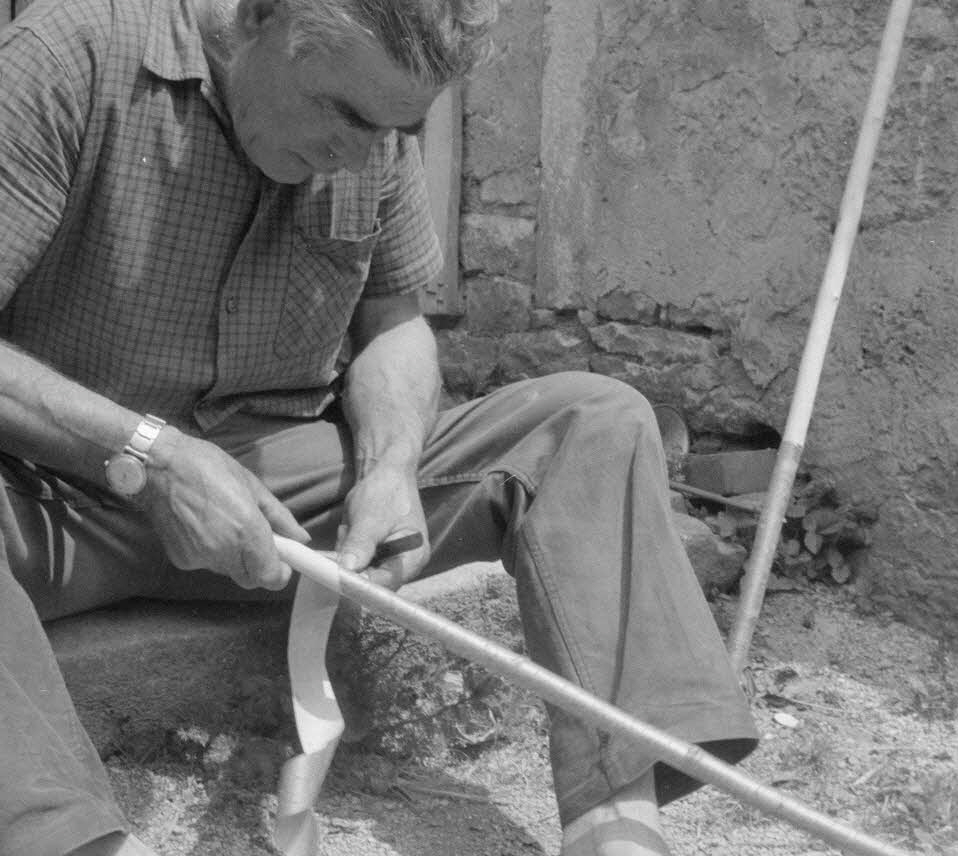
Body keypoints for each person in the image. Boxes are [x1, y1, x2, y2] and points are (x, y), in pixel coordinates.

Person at [0, 0, 759, 854]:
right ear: (258, 18)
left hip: (280, 503)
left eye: (398, 129)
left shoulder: (374, 128)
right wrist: (155, 456)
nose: (364, 155)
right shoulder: (68, 57)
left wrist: (391, 467)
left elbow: (394, 324)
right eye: (348, 116)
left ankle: (615, 828)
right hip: (55, 489)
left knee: (594, 422)